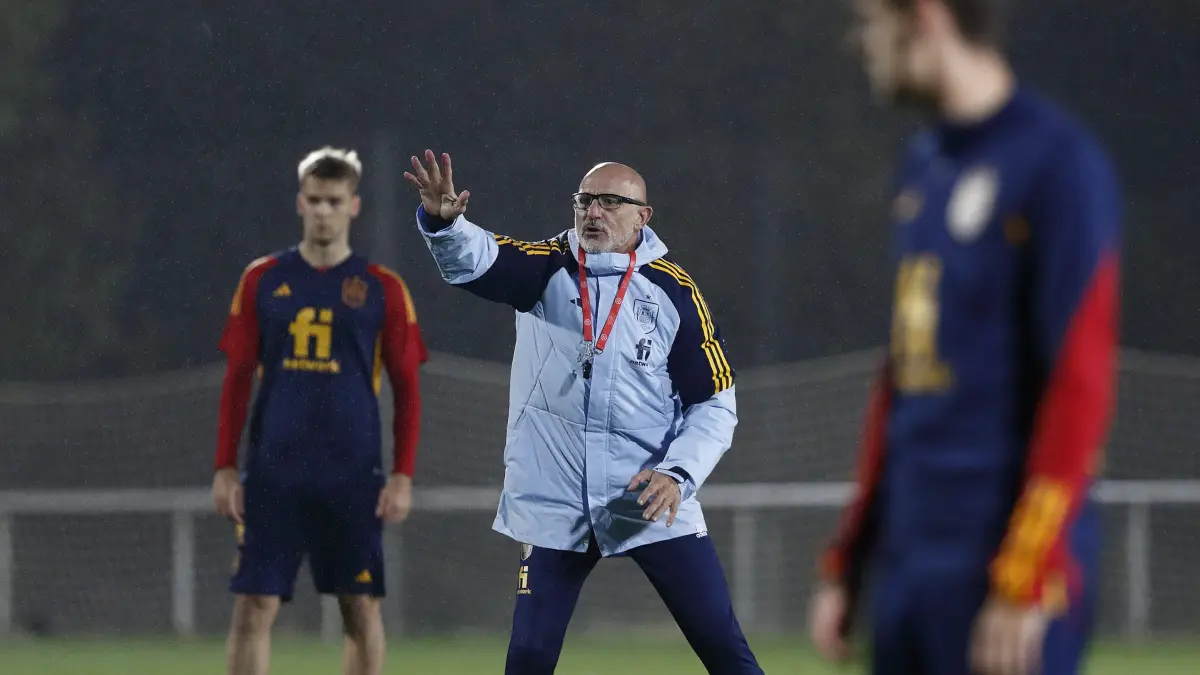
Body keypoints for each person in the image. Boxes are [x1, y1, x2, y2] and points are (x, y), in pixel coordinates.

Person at [809, 2, 1122, 675]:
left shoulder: (1059, 165)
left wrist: (1027, 571)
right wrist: (852, 555)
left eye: (872, 22)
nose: (861, 43)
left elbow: (1078, 385)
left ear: (925, 16)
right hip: (909, 567)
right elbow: (902, 377)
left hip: (997, 574)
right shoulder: (924, 164)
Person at [403, 150, 763, 674]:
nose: (593, 212)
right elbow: (479, 258)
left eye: (610, 202)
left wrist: (678, 474)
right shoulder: (545, 266)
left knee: (723, 646)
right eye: (585, 201)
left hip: (646, 497)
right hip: (558, 500)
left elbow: (714, 402)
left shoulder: (674, 293)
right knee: (528, 656)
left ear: (643, 217)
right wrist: (444, 224)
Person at [211, 146, 429, 675]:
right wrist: (224, 467)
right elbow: (236, 380)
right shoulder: (262, 279)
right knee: (253, 607)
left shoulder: (383, 288)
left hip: (351, 477)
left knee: (360, 609)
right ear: (300, 203)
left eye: (334, 200)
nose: (323, 211)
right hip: (274, 475)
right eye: (314, 200)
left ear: (354, 205)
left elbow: (407, 390)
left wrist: (402, 475)